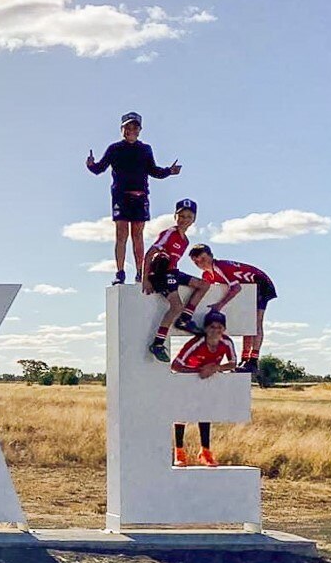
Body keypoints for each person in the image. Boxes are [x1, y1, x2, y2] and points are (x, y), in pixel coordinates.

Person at [86, 111, 182, 285]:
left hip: (140, 196)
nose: (131, 130)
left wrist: (169, 171)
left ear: (140, 130)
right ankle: (120, 272)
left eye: (134, 127)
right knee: (121, 234)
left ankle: (140, 272)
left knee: (137, 235)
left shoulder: (145, 149)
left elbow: (154, 171)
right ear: (122, 129)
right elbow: (99, 168)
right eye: (127, 127)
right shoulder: (114, 149)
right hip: (121, 197)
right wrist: (91, 165)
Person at [189, 245, 277, 374]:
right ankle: (245, 358)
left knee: (255, 322)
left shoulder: (219, 267)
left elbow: (236, 288)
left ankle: (253, 360)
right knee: (247, 323)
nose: (200, 263)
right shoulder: (207, 274)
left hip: (260, 283)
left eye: (203, 259)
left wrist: (219, 305)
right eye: (196, 261)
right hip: (248, 287)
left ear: (211, 256)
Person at [144, 199, 210, 363]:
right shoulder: (169, 233)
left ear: (193, 219)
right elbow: (150, 254)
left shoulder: (185, 240)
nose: (184, 220)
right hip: (161, 274)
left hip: (173, 272)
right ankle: (158, 343)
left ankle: (185, 319)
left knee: (204, 285)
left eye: (188, 217)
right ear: (175, 216)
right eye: (181, 216)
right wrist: (145, 279)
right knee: (176, 306)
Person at [170, 310, 237, 466]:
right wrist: (199, 371)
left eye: (219, 327)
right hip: (186, 378)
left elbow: (233, 363)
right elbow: (175, 365)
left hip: (208, 380)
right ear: (206, 329)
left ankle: (205, 452)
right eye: (212, 327)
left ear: (224, 329)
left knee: (205, 412)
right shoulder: (196, 343)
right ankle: (179, 452)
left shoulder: (226, 342)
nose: (216, 330)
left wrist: (215, 368)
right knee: (181, 414)